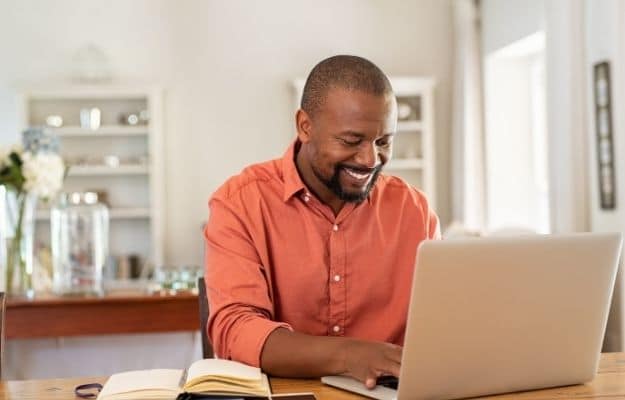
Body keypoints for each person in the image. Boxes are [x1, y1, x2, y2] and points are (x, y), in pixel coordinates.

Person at [204, 55, 440, 389]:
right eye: (351, 141)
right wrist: (349, 355)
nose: (371, 159)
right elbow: (236, 330)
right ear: (305, 126)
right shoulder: (239, 203)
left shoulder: (414, 211)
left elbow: (439, 328)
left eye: (383, 141)